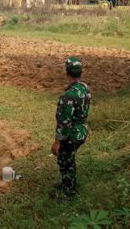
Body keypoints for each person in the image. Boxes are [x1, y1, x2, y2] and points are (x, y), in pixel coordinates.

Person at [51, 57, 91, 198]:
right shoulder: (85, 88)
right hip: (82, 130)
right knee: (69, 159)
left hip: (72, 134)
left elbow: (64, 122)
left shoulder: (68, 96)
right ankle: (67, 183)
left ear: (67, 74)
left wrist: (57, 142)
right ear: (80, 73)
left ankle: (69, 192)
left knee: (65, 161)